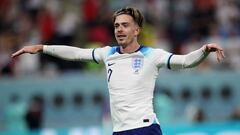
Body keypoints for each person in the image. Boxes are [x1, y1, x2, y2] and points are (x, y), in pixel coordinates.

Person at [12, 7, 225, 135]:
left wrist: (204, 50)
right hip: (119, 131)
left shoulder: (152, 55)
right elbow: (76, 53)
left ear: (136, 30)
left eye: (124, 25)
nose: (119, 29)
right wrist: (42, 48)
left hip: (145, 129)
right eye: (116, 26)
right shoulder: (108, 54)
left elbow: (186, 61)